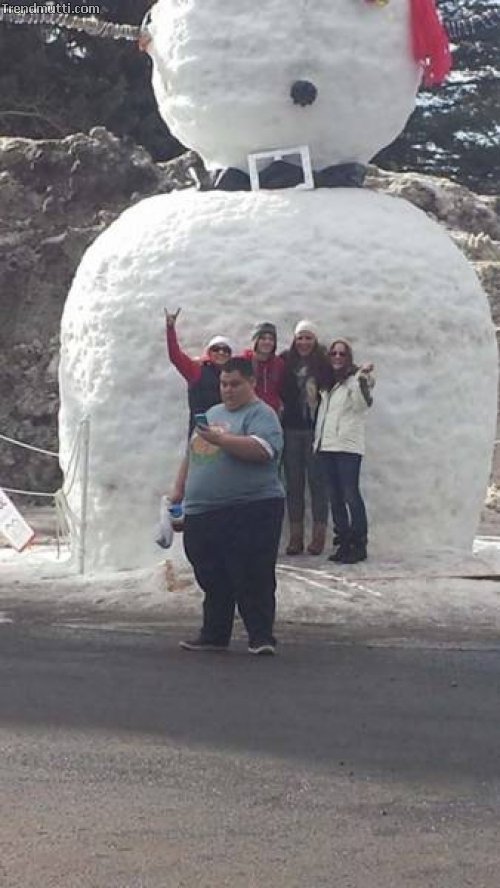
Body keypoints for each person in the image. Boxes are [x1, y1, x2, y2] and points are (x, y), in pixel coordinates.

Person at [180, 357, 285, 656]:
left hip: (250, 507)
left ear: (251, 383)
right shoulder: (212, 413)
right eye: (224, 384)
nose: (228, 390)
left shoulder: (261, 414)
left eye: (235, 384)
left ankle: (261, 636)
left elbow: (263, 450)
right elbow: (192, 453)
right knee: (212, 574)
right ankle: (214, 634)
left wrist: (222, 440)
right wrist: (178, 491)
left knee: (253, 573)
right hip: (204, 509)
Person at [314, 339, 375, 564]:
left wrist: (359, 379)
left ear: (348, 357)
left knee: (351, 495)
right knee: (335, 497)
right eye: (334, 353)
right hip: (327, 446)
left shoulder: (356, 380)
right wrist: (318, 442)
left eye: (342, 354)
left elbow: (361, 405)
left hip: (347, 446)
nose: (337, 357)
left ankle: (359, 544)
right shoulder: (328, 384)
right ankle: (344, 542)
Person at [280, 320, 331, 556]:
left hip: (315, 430)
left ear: (315, 340)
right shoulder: (285, 361)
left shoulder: (323, 364)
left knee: (318, 483)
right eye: (300, 337)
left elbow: (341, 376)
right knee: (294, 483)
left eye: (308, 337)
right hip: (291, 429)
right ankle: (296, 536)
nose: (303, 342)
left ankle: (319, 536)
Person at [165, 307, 232, 434]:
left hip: (226, 434)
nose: (221, 352)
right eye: (216, 349)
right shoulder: (197, 370)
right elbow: (175, 357)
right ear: (209, 352)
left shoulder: (234, 375)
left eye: (226, 350)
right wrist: (170, 329)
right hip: (200, 434)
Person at [241, 322, 285, 414]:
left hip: (272, 412)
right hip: (248, 411)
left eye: (271, 339)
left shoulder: (279, 364)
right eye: (263, 338)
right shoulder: (244, 361)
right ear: (256, 341)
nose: (267, 342)